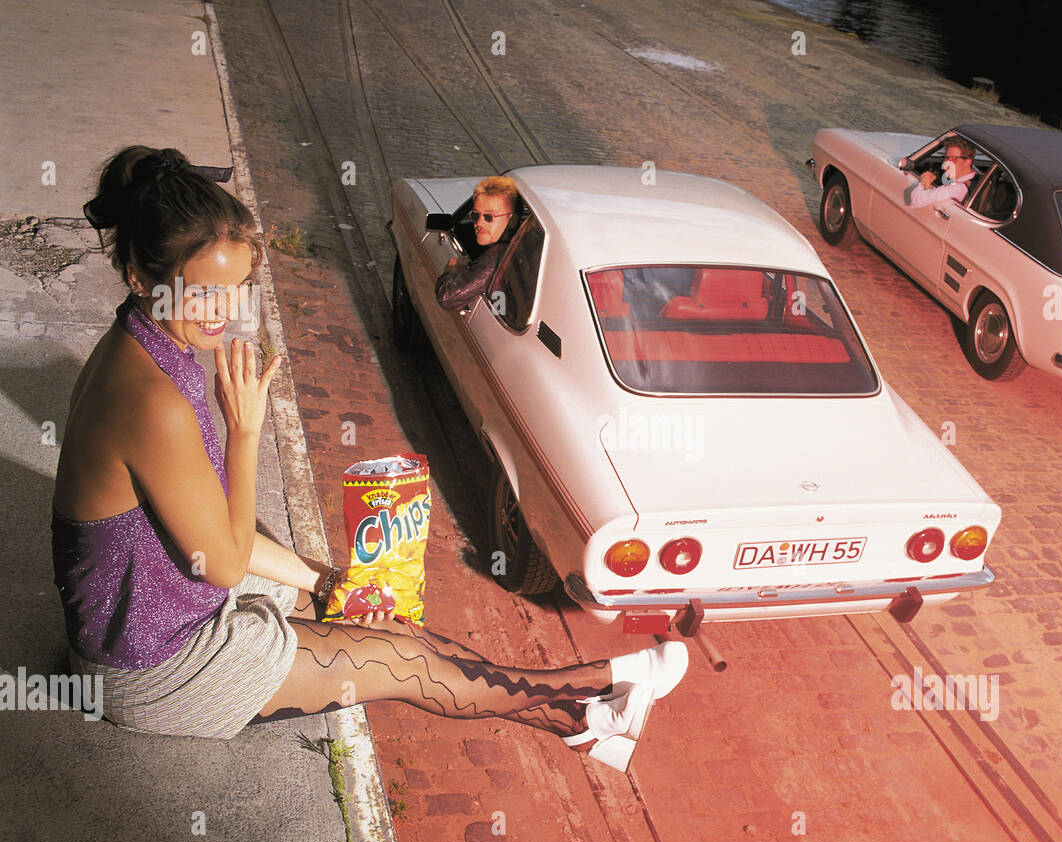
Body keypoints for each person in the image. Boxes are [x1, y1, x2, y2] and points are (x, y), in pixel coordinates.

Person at [52, 146, 686, 771]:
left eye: (238, 289)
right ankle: (599, 680)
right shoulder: (148, 398)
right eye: (203, 294)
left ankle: (587, 721)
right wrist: (245, 432)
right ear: (139, 274)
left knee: (387, 626)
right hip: (154, 666)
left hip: (162, 607)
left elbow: (216, 527)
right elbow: (221, 561)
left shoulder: (148, 345)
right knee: (400, 664)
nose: (227, 314)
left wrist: (326, 583)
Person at [434, 175, 520, 312]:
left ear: (513, 220)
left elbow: (447, 298)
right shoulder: (519, 246)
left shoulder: (495, 259)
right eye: (475, 215)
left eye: (488, 217)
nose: (479, 223)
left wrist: (452, 269)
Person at [908, 136, 978, 208]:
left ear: (967, 162)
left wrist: (923, 183)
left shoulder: (956, 189)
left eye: (953, 159)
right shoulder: (977, 179)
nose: (947, 162)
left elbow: (915, 202)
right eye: (947, 157)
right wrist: (928, 188)